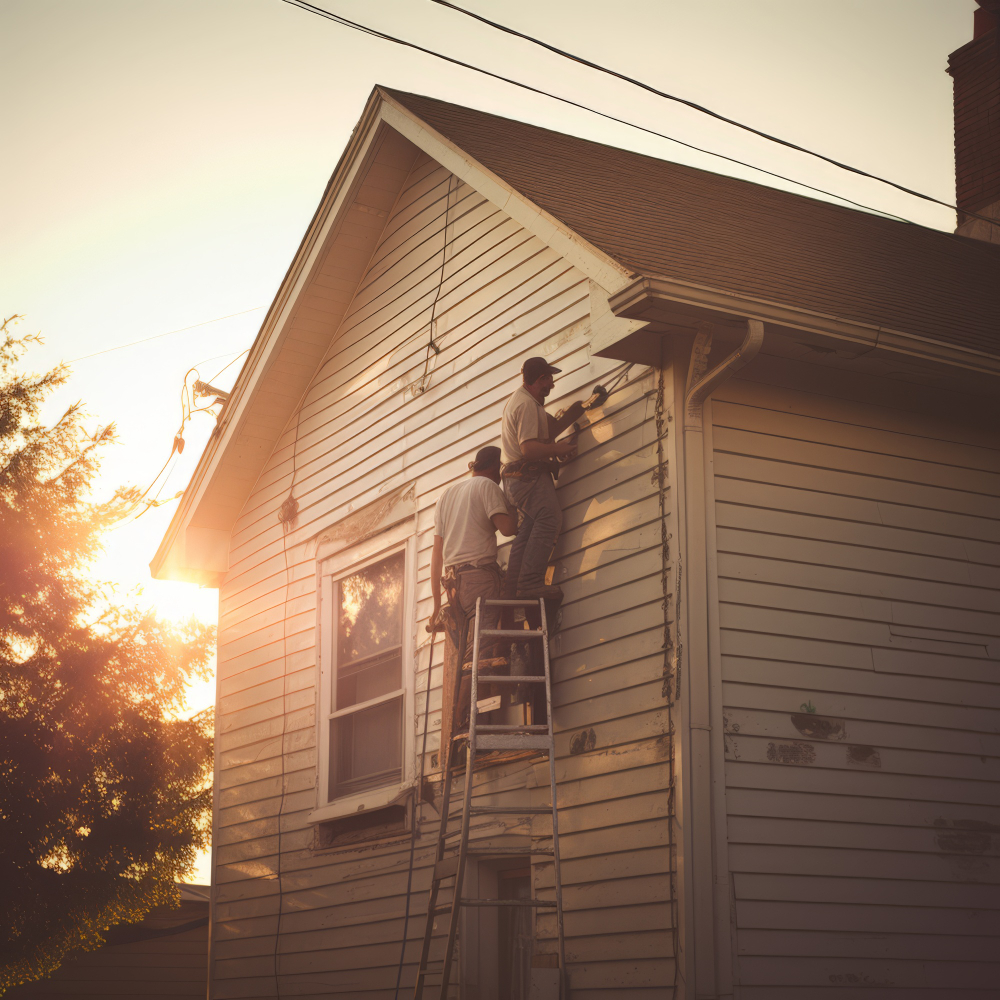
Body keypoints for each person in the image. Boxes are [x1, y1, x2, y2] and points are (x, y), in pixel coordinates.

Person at [500, 357, 586, 602]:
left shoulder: (523, 401)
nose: (552, 386)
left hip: (515, 479)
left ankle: (512, 589)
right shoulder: (527, 404)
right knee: (550, 518)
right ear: (540, 380)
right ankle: (528, 583)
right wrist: (558, 450)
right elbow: (528, 449)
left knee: (528, 529)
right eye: (549, 380)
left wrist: (580, 409)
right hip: (526, 477)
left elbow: (546, 432)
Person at [431, 446, 518, 659]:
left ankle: (474, 679)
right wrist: (514, 503)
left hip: (454, 588)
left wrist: (435, 605)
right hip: (480, 581)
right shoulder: (487, 486)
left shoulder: (446, 496)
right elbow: (508, 529)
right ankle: (507, 663)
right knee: (484, 650)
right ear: (496, 467)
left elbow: (436, 555)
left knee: (469, 650)